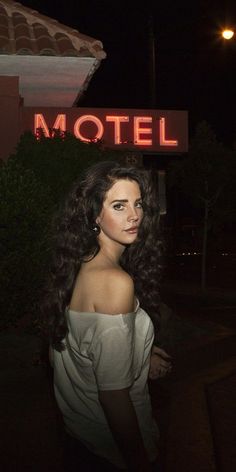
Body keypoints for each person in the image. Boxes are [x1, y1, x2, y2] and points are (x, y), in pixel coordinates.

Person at [43, 160, 169, 471]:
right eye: (119, 205)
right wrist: (138, 462)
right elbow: (115, 399)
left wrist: (140, 351)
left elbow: (78, 345)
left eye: (137, 203)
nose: (134, 215)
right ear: (94, 215)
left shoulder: (76, 267)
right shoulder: (115, 283)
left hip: (80, 442)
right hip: (111, 454)